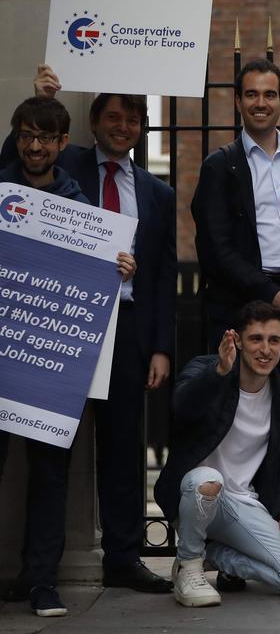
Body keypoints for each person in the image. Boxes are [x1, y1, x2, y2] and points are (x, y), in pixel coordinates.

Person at [15, 65, 177, 595]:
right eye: (113, 116)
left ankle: (125, 559)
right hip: (63, 321)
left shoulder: (157, 192)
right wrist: (41, 100)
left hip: (128, 329)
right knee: (49, 449)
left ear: (142, 127)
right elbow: (11, 170)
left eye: (133, 119)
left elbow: (162, 274)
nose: (123, 126)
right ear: (92, 123)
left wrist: (160, 347)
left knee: (123, 447)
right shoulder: (69, 165)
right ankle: (39, 571)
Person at [0, 96, 136, 617]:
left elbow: (94, 273)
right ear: (16, 137)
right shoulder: (3, 187)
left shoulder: (80, 205)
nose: (35, 147)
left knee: (50, 476)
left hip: (50, 366)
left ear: (61, 145)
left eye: (46, 138)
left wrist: (118, 268)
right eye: (26, 136)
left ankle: (42, 582)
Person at [154, 301, 280, 607]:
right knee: (208, 478)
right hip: (195, 494)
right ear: (238, 340)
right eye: (256, 339)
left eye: (274, 340)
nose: (265, 349)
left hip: (242, 502)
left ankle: (212, 557)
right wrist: (219, 372)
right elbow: (183, 408)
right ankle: (189, 565)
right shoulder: (205, 369)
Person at [191, 59, 280, 380]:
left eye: (270, 95)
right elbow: (216, 251)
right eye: (252, 95)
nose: (261, 103)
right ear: (238, 101)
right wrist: (270, 293)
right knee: (241, 407)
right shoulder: (219, 166)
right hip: (243, 304)